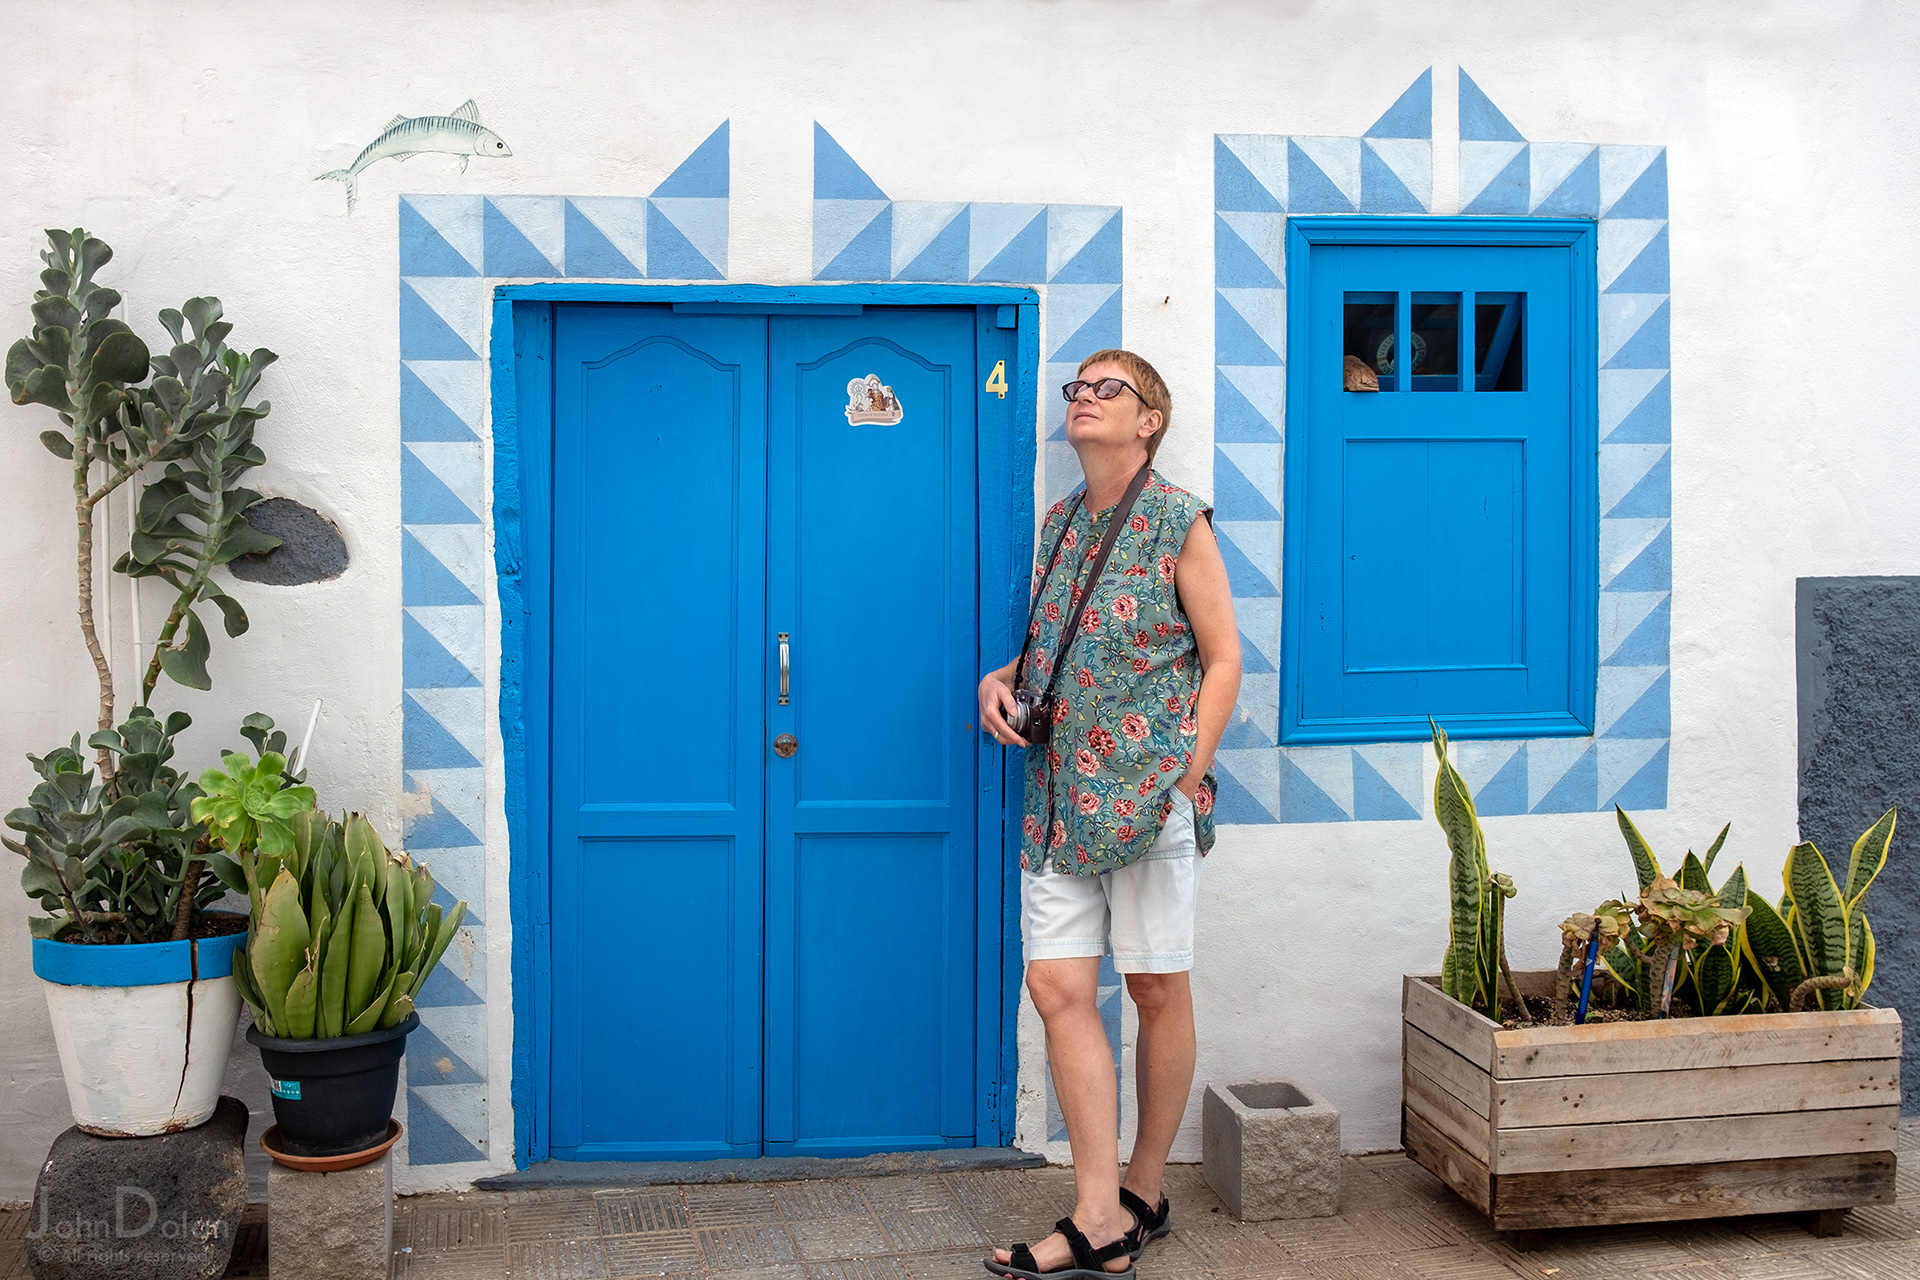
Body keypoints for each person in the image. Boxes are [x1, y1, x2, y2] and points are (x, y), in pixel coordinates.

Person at [978, 350, 1241, 1280]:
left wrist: (1186, 775)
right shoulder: (1058, 523)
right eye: (1077, 389)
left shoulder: (1180, 518)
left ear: (1150, 420)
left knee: (1154, 988)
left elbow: (1222, 659)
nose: (1084, 400)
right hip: (1057, 802)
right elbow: (1058, 644)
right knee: (1057, 989)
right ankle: (1097, 1214)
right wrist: (999, 680)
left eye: (1107, 390)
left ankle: (1142, 1189)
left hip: (1144, 802)